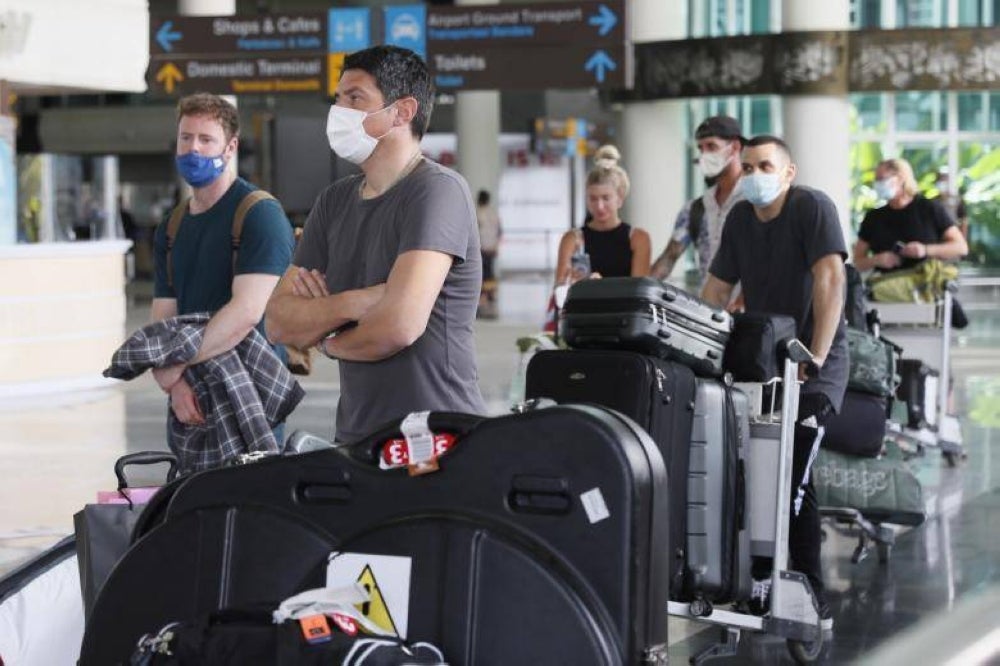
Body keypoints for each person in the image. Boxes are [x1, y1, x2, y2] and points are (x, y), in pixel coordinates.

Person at [264, 45, 486, 444]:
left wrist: (324, 338)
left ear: (402, 112)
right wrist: (354, 303)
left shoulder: (436, 192)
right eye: (338, 99)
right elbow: (279, 321)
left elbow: (398, 328)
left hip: (436, 436)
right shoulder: (334, 201)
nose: (339, 112)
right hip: (357, 436)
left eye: (355, 98)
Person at [701, 135, 848, 629]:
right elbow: (718, 290)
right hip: (764, 365)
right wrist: (693, 344)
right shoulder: (741, 220)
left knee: (791, 475)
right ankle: (755, 576)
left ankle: (809, 593)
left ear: (788, 171)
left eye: (766, 165)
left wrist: (818, 355)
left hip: (813, 366)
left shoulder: (812, 208)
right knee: (751, 471)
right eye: (748, 167)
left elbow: (830, 278)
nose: (755, 174)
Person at [151, 93, 295, 446]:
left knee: (250, 496)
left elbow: (245, 313)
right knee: (192, 496)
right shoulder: (172, 226)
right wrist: (175, 384)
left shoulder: (259, 214)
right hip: (188, 401)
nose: (193, 150)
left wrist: (175, 367)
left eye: (206, 139)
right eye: (186, 138)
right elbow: (162, 320)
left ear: (230, 148)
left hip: (247, 397)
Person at [651, 115, 745, 287]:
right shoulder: (695, 208)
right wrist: (639, 290)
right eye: (701, 148)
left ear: (735, 147)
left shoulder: (754, 201)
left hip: (750, 308)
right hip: (708, 309)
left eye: (712, 146)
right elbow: (669, 258)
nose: (705, 154)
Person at [554, 145, 651, 285]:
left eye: (606, 198)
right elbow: (559, 289)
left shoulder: (637, 238)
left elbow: (639, 291)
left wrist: (600, 286)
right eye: (593, 199)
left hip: (624, 307)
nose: (599, 206)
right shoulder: (573, 239)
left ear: (620, 198)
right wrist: (570, 280)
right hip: (585, 306)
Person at [853, 158, 968, 273]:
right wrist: (876, 260)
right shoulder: (873, 217)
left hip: (925, 285)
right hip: (886, 287)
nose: (877, 184)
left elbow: (961, 248)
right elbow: (857, 262)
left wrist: (925, 250)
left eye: (881, 179)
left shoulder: (929, 209)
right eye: (876, 180)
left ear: (900, 179)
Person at [476, 188, 502, 319]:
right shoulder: (494, 214)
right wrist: (496, 246)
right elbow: (499, 232)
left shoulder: (478, 214)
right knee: (490, 272)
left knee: (482, 273)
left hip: (481, 248)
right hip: (492, 247)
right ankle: (491, 295)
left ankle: (483, 297)